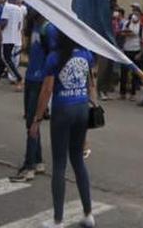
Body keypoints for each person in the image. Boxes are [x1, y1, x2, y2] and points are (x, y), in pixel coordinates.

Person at [30, 29, 97, 228]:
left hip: (63, 109)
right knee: (78, 160)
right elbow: (91, 84)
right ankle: (88, 214)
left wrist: (37, 118)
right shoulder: (86, 54)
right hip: (81, 108)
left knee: (59, 164)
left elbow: (47, 89)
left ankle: (58, 220)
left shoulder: (54, 57)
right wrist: (93, 105)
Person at [10, 9, 50, 182]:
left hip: (41, 79)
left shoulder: (48, 29)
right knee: (31, 120)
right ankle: (38, 161)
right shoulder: (34, 26)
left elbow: (52, 56)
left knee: (32, 121)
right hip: (31, 77)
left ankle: (29, 166)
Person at [0, 0, 25, 85]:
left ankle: (18, 78)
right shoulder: (19, 9)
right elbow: (20, 25)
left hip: (5, 38)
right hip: (14, 38)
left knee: (5, 58)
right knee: (3, 59)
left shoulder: (6, 7)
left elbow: (4, 22)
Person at [117, 4, 143, 99]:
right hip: (126, 49)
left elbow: (142, 39)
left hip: (136, 50)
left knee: (135, 73)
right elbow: (122, 33)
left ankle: (133, 93)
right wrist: (129, 33)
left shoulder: (141, 26)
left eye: (137, 13)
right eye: (133, 13)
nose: (134, 15)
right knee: (124, 72)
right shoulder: (127, 23)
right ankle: (122, 93)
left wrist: (140, 53)